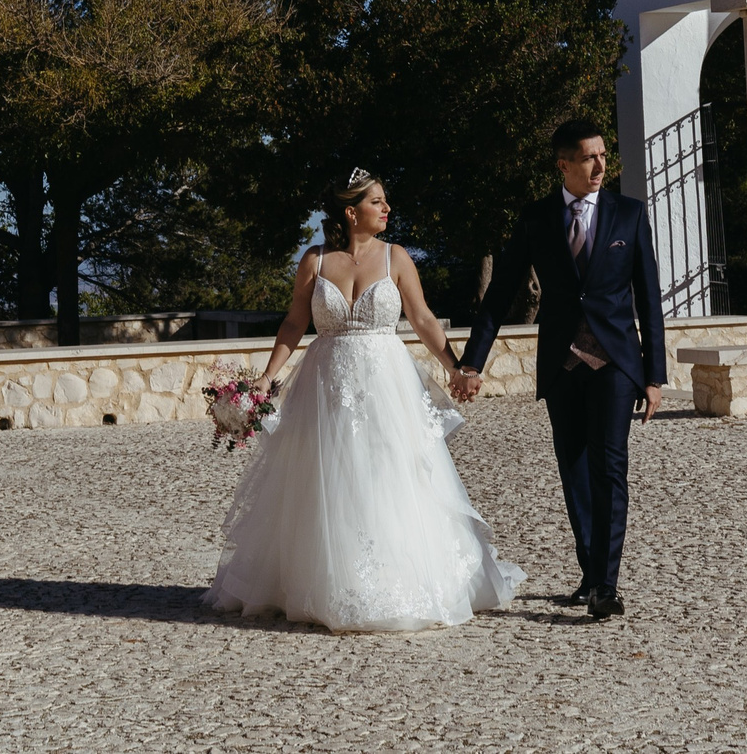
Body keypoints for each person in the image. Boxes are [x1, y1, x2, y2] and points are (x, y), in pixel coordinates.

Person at [203, 169, 525, 631]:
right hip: (325, 381)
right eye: (378, 202)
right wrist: (266, 379)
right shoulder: (315, 261)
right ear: (351, 212)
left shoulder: (397, 258)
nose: (387, 209)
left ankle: (396, 579)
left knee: (388, 470)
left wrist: (455, 367)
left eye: (386, 201)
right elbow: (294, 324)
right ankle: (321, 581)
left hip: (385, 383)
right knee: (324, 475)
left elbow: (423, 318)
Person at [452, 116, 666, 621]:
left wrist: (654, 374)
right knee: (574, 470)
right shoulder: (537, 218)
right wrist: (472, 361)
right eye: (588, 157)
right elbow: (500, 293)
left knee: (610, 467)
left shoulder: (629, 214)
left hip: (616, 361)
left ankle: (606, 587)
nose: (599, 165)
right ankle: (590, 573)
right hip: (562, 364)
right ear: (563, 164)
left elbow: (649, 299)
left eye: (603, 155)